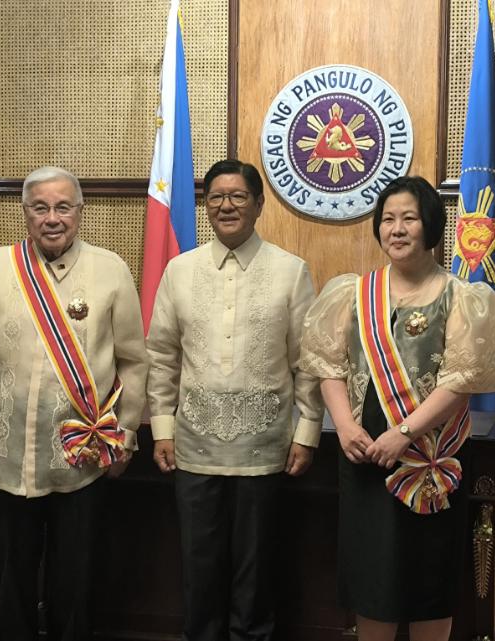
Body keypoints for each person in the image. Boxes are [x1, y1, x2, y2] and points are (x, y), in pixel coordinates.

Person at [299, 176, 495, 641]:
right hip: (364, 453)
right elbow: (326, 365)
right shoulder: (352, 293)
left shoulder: (462, 297)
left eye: (409, 219)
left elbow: (461, 380)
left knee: (428, 576)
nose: (397, 229)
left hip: (428, 455)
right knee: (373, 576)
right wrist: (343, 424)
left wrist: (404, 433)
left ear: (430, 226)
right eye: (389, 219)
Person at [0, 166, 148, 641]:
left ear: (80, 212)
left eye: (63, 206)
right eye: (40, 207)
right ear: (24, 213)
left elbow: (134, 360)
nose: (52, 218)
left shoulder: (111, 270)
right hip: (9, 455)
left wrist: (124, 435)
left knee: (76, 582)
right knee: (13, 579)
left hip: (81, 460)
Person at [146, 159, 324, 641]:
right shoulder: (179, 271)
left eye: (238, 196)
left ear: (258, 205)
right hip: (193, 448)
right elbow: (161, 357)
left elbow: (308, 362)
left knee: (256, 571)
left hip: (266, 450)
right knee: (198, 568)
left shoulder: (291, 271)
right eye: (216, 197)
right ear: (206, 207)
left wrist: (307, 433)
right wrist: (161, 427)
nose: (226, 205)